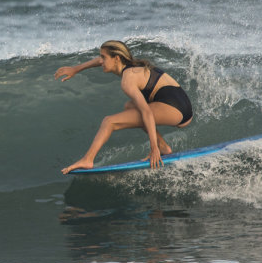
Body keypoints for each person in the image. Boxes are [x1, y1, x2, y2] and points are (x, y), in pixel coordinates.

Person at [54, 40, 193, 174]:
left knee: (109, 122)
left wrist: (153, 148)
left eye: (104, 57)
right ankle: (164, 147)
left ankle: (87, 159)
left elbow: (146, 112)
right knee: (129, 106)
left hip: (175, 109)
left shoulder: (128, 80)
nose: (100, 61)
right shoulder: (132, 65)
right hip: (182, 105)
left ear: (117, 58)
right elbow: (97, 61)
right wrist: (75, 69)